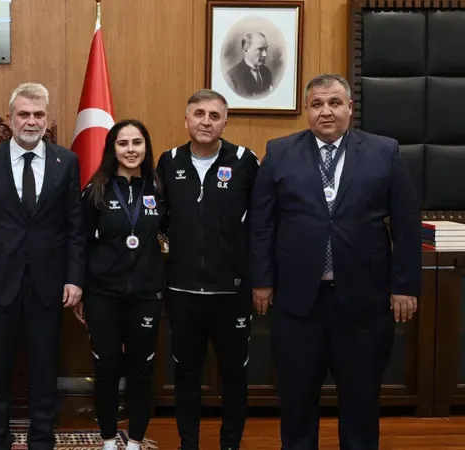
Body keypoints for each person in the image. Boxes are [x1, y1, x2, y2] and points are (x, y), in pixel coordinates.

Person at [249, 73, 421, 449]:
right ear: (307, 110)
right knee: (296, 399)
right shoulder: (279, 152)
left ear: (350, 108)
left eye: (334, 103)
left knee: (361, 400)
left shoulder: (384, 151)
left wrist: (404, 286)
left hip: (364, 300)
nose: (326, 111)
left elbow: (407, 224)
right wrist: (262, 280)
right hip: (298, 302)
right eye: (317, 104)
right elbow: (262, 224)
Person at [0, 82, 86, 450]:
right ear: (10, 118)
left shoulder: (67, 162)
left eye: (38, 114)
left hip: (48, 284)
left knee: (44, 371)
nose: (31, 121)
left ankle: (41, 441)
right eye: (24, 114)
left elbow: (75, 228)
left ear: (47, 119)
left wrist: (74, 278)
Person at [155, 89, 260, 450]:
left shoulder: (245, 161)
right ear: (186, 120)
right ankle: (189, 443)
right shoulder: (169, 161)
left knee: (235, 373)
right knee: (186, 373)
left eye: (214, 116)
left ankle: (230, 444)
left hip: (232, 291)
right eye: (199, 114)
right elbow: (159, 217)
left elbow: (261, 221)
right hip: (183, 291)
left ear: (225, 123)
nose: (206, 121)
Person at [77, 120, 166, 450]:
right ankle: (108, 440)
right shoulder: (96, 189)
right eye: (123, 143)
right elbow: (80, 242)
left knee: (143, 371)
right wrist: (81, 290)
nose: (131, 150)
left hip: (146, 295)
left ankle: (135, 442)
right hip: (103, 295)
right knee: (107, 369)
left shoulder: (158, 188)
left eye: (137, 143)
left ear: (146, 147)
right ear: (112, 149)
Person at [226, 32, 273, 98]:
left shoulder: (266, 72)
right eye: (260, 49)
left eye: (266, 49)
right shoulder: (231, 76)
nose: (265, 54)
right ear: (246, 50)